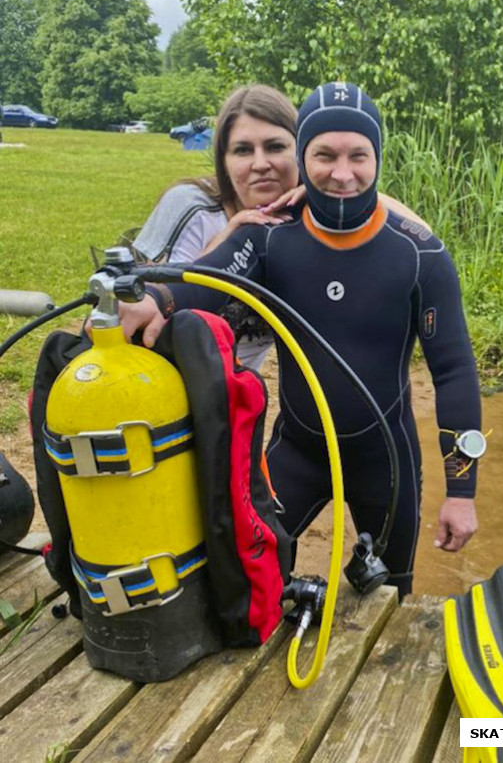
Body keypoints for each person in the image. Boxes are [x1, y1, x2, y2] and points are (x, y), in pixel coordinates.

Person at [118, 82, 481, 598]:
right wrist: (154, 297)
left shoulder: (418, 253)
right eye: (324, 155)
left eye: (359, 155)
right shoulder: (268, 234)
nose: (342, 172)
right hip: (298, 451)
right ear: (304, 157)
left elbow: (454, 371)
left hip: (388, 460)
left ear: (377, 157)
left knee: (392, 598)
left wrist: (462, 493)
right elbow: (207, 280)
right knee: (254, 582)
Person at [131, 84, 428, 369]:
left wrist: (338, 195)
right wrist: (229, 239)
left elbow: (424, 239)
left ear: (303, 154)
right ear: (224, 160)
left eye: (275, 147)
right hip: (162, 385)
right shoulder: (191, 206)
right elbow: (148, 307)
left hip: (236, 397)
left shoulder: (308, 221)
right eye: (243, 150)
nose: (260, 163)